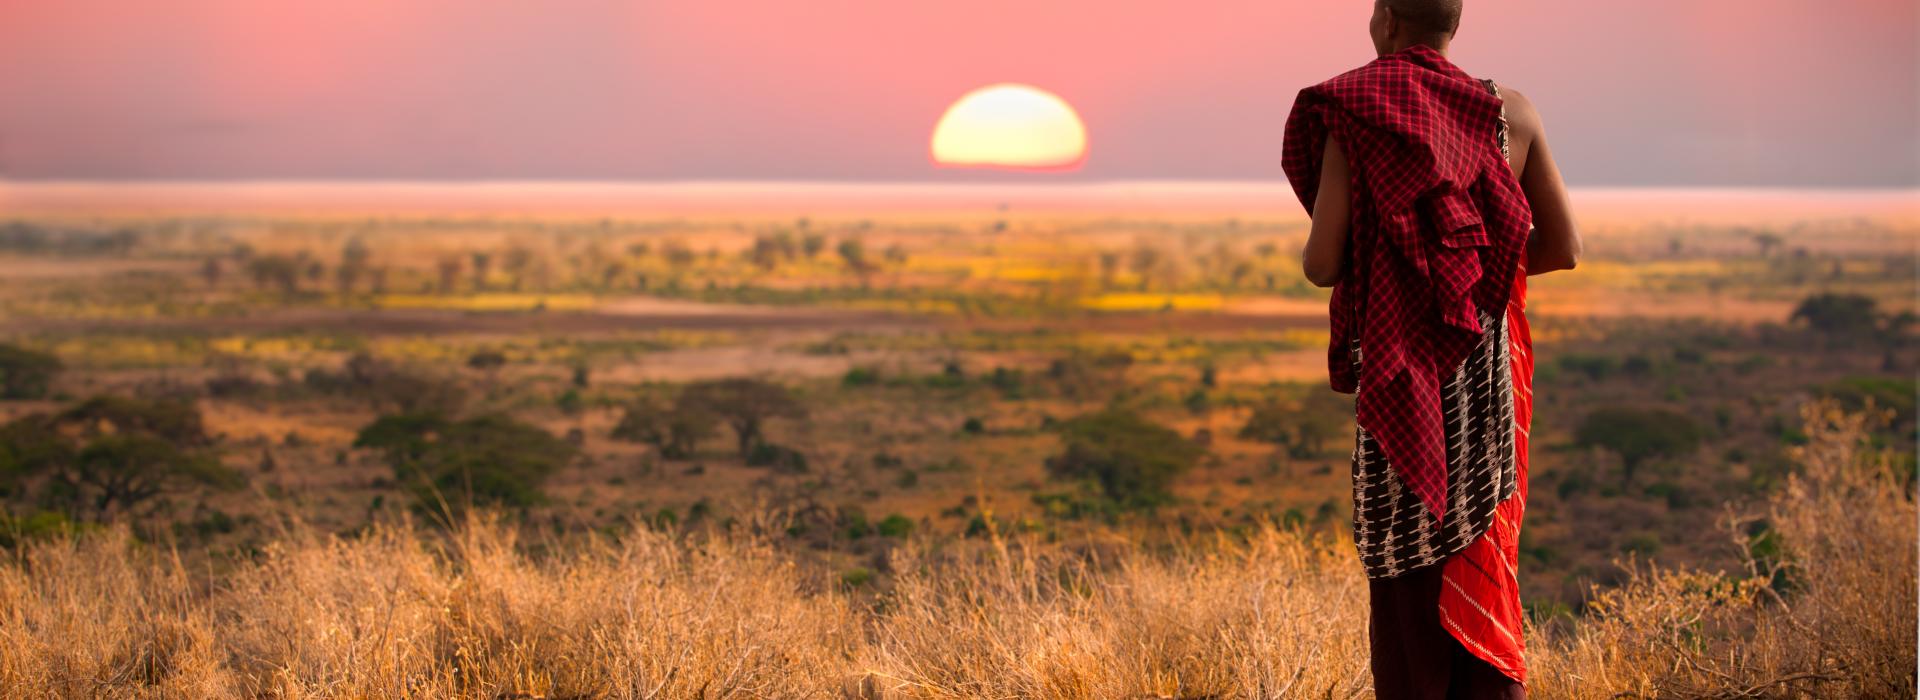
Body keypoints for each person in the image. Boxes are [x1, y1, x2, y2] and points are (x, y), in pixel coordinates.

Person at [1281, 0, 1583, 697]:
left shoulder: (1357, 114)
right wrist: (1467, 274)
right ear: (1454, 27)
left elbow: (1323, 263)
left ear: (1386, 21)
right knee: (1480, 543)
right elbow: (1562, 248)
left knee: (1406, 570)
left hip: (1403, 368)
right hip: (1485, 372)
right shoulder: (1513, 112)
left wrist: (1403, 271)